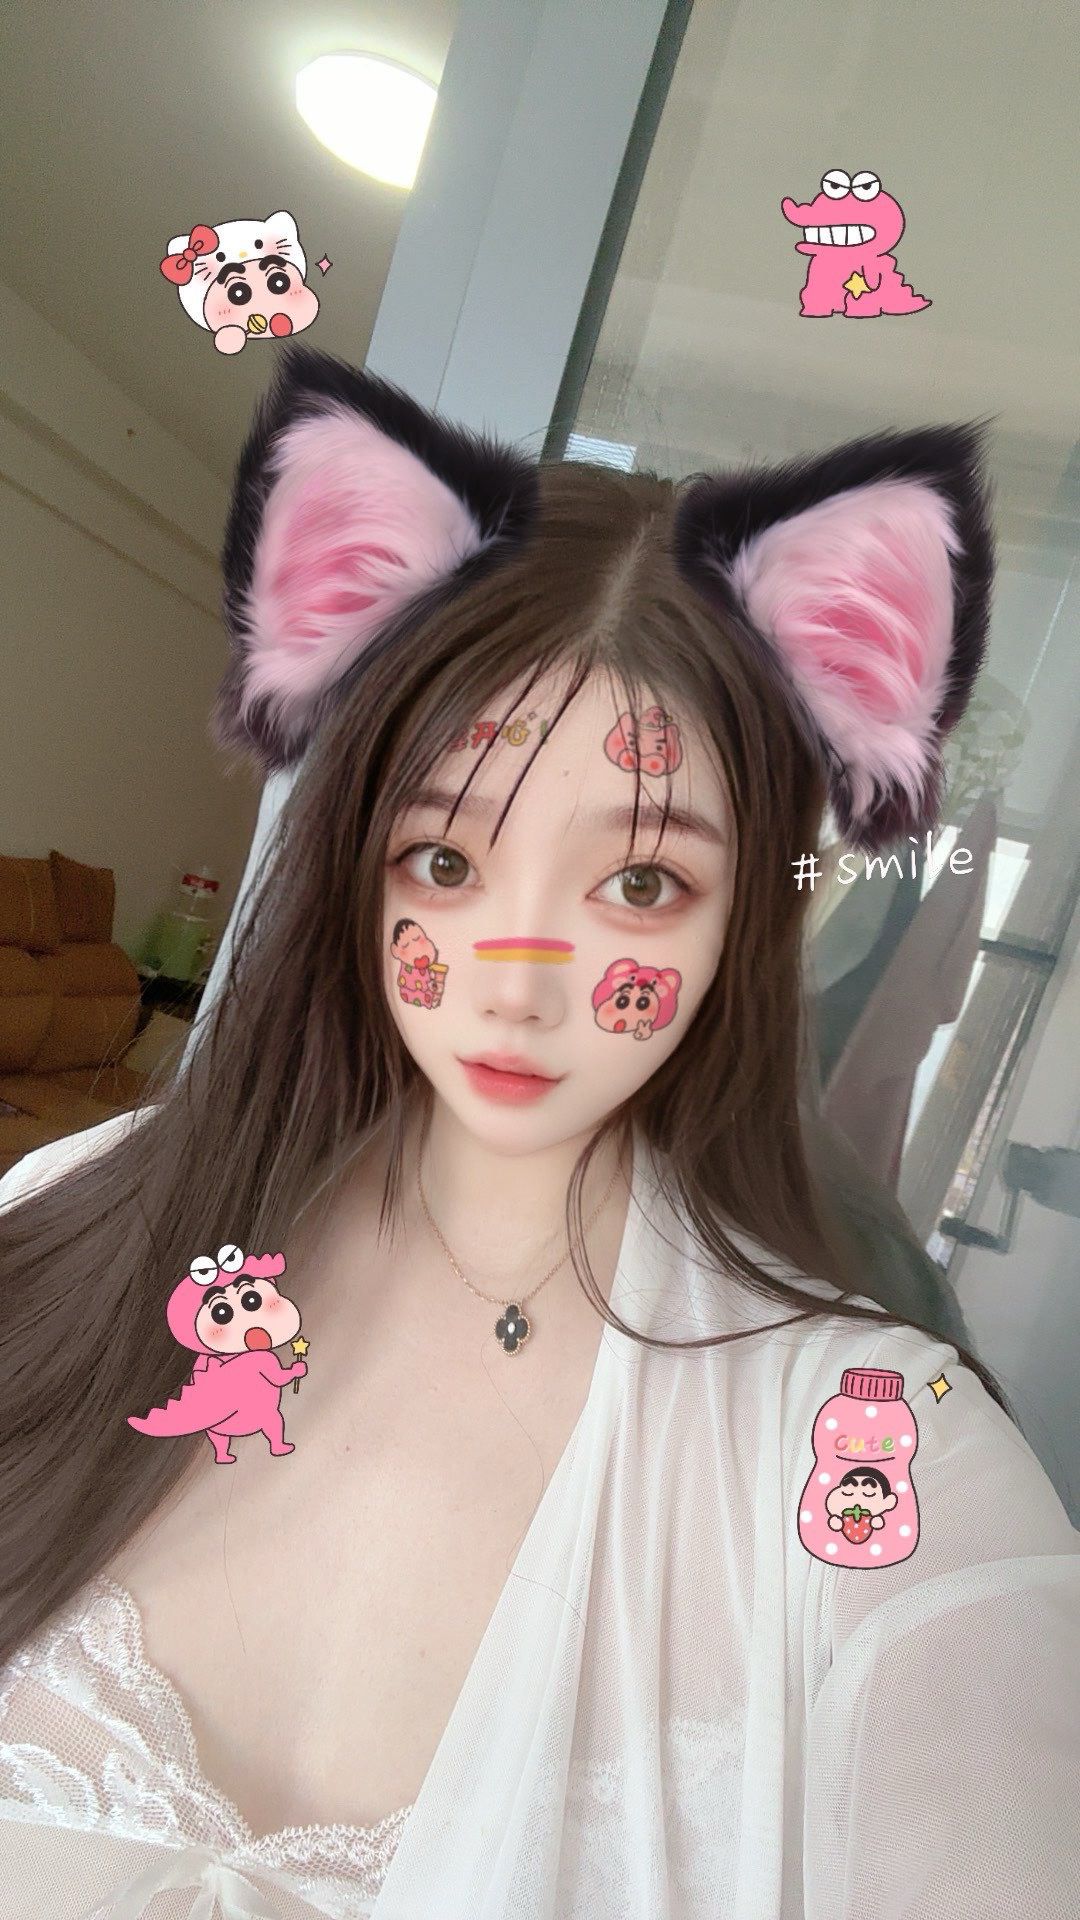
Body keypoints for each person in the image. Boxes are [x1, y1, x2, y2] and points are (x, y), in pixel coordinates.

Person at [0, 347, 1076, 1920]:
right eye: (445, 861)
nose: (517, 983)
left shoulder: (873, 1452)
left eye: (639, 882)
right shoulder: (68, 1220)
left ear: (749, 917)